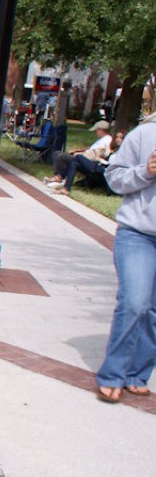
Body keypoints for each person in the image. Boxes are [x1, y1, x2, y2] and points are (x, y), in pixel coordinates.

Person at [94, 117, 156, 402]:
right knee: (134, 303)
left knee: (153, 311)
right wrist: (146, 171)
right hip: (138, 234)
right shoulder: (144, 135)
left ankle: (138, 373)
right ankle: (113, 374)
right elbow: (114, 177)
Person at [45, 120, 113, 195]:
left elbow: (104, 154)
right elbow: (90, 149)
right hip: (86, 161)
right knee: (73, 162)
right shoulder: (101, 140)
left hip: (95, 165)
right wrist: (77, 150)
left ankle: (60, 177)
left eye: (96, 130)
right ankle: (65, 188)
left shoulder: (108, 140)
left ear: (101, 130)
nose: (95, 132)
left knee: (69, 157)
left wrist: (80, 153)